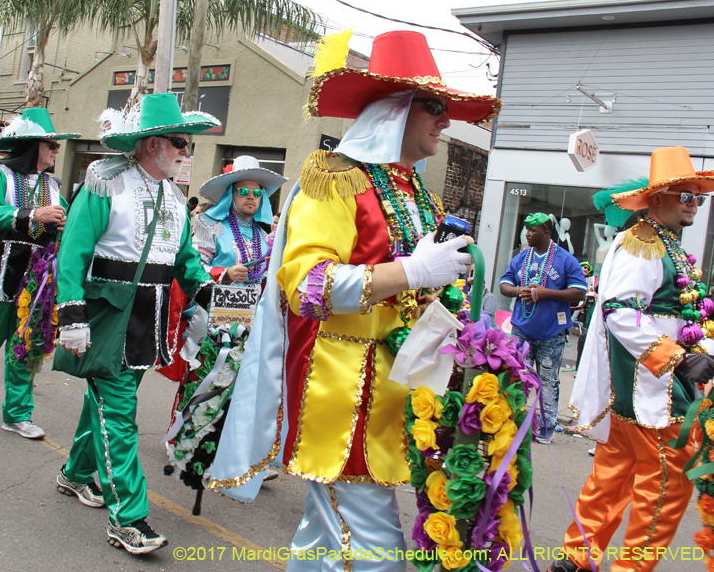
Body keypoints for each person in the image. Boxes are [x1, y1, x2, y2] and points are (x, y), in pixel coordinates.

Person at [207, 30, 500, 571]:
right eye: (434, 107)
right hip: (344, 395)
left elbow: (431, 292)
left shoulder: (417, 195)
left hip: (398, 388)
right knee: (376, 552)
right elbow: (308, 287)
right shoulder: (333, 181)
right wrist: (410, 269)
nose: (446, 121)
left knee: (326, 540)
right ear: (396, 109)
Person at [53, 92, 217, 554]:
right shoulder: (106, 185)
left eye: (187, 144)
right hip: (106, 313)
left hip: (149, 318)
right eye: (179, 142)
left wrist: (209, 294)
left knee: (104, 403)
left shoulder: (172, 196)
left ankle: (75, 473)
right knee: (120, 414)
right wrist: (72, 314)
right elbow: (74, 252)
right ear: (150, 144)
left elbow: (184, 257)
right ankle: (128, 517)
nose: (186, 151)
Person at [549, 146, 714, 572]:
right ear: (657, 198)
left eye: (699, 197)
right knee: (666, 488)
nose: (693, 204)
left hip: (638, 393)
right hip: (653, 395)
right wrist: (678, 359)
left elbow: (678, 315)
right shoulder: (644, 243)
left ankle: (575, 558)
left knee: (614, 473)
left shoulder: (663, 243)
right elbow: (620, 311)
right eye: (686, 195)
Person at [0, 108, 79, 439]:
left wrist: (62, 223)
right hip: (3, 271)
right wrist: (33, 213)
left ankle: (17, 414)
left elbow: (61, 222)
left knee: (27, 344)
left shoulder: (53, 185)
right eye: (51, 144)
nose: (56, 151)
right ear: (33, 145)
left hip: (37, 278)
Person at [163, 155, 287, 490]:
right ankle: (183, 443)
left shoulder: (266, 234)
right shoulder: (208, 225)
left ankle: (228, 454)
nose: (251, 197)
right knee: (206, 379)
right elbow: (193, 267)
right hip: (213, 315)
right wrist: (223, 273)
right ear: (231, 194)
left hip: (254, 319)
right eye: (244, 191)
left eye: (258, 193)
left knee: (244, 388)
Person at [499, 213, 587, 443]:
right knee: (515, 376)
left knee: (547, 379)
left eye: (533, 230)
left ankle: (547, 426)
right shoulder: (521, 258)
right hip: (521, 329)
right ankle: (509, 422)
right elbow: (504, 284)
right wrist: (520, 290)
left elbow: (579, 292)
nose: (527, 233)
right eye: (526, 229)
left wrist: (547, 293)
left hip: (552, 332)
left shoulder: (566, 260)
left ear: (546, 233)